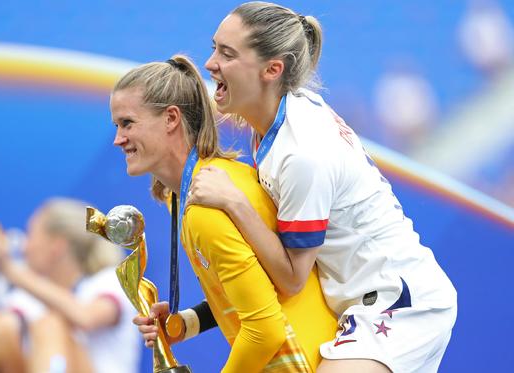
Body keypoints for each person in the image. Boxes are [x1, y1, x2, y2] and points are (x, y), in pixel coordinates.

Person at [186, 2, 458, 372]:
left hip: (400, 304)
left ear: (272, 69)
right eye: (215, 47)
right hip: (375, 302)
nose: (210, 63)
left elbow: (291, 279)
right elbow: (260, 267)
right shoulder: (281, 123)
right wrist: (192, 321)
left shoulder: (301, 153)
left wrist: (235, 203)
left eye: (227, 54)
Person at [110, 54, 337, 372]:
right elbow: (257, 290)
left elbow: (265, 330)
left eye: (127, 123)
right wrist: (185, 323)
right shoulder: (216, 180)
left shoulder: (206, 206)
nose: (118, 139)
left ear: (171, 118)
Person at [0, 197, 140, 373]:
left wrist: (9, 270)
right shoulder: (28, 294)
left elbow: (85, 317)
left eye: (30, 235)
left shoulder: (108, 280)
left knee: (51, 324)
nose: (25, 247)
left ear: (56, 246)